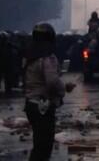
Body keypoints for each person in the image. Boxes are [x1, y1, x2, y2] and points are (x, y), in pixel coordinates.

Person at [24, 23, 76, 161]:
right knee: (44, 148)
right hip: (43, 107)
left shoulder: (30, 56)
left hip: (31, 105)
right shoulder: (48, 58)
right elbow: (52, 81)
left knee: (38, 146)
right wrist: (63, 89)